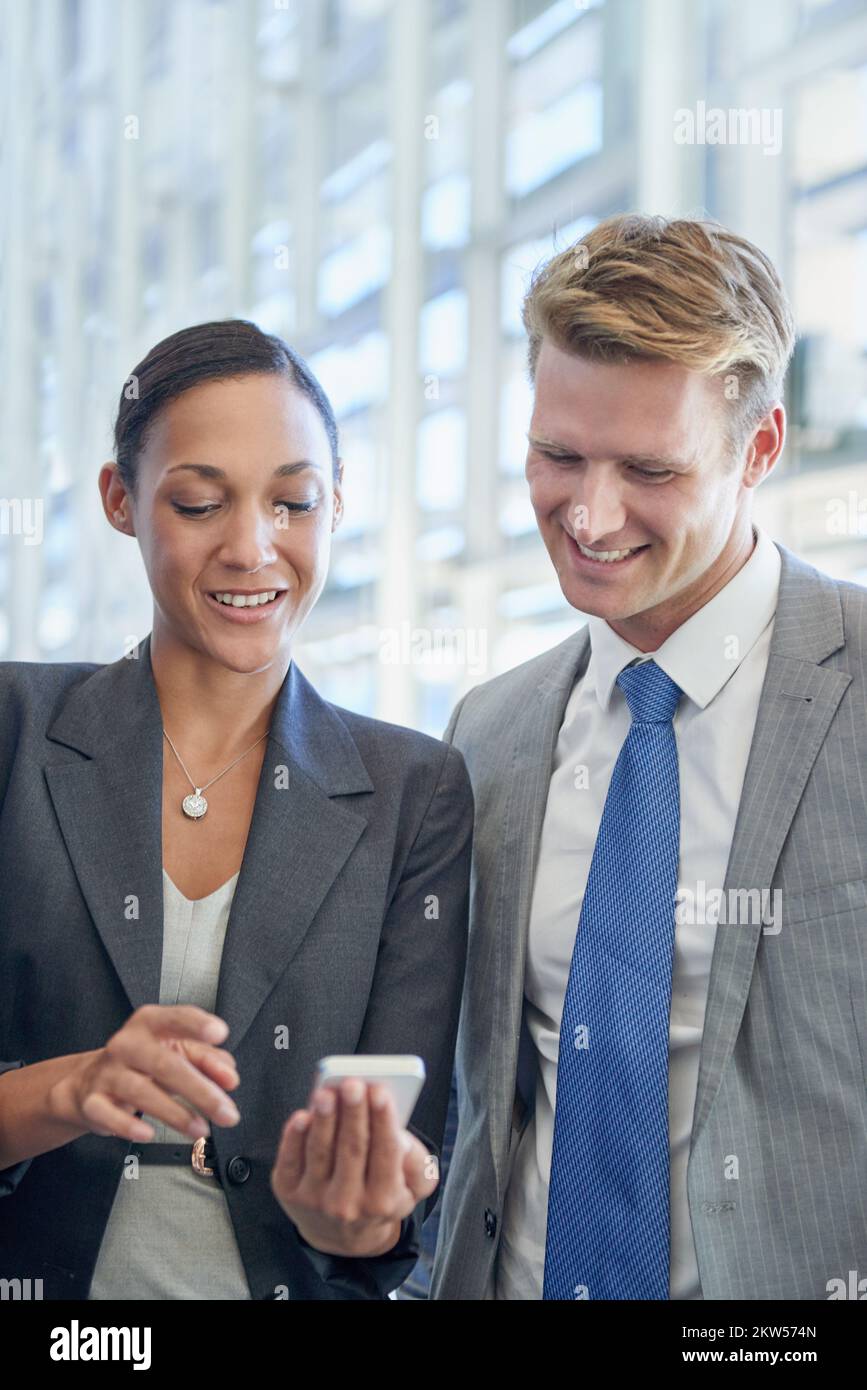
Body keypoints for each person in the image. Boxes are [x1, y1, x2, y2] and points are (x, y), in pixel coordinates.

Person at [431, 214, 867, 1301]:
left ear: (758, 451)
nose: (589, 512)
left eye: (649, 468)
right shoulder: (488, 731)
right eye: (557, 455)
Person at [0, 319, 473, 1301]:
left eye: (293, 502)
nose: (253, 547)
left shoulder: (414, 793)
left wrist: (354, 1210)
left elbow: (390, 1204)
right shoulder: (15, 730)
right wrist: (69, 1089)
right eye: (200, 501)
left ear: (337, 507)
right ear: (121, 500)